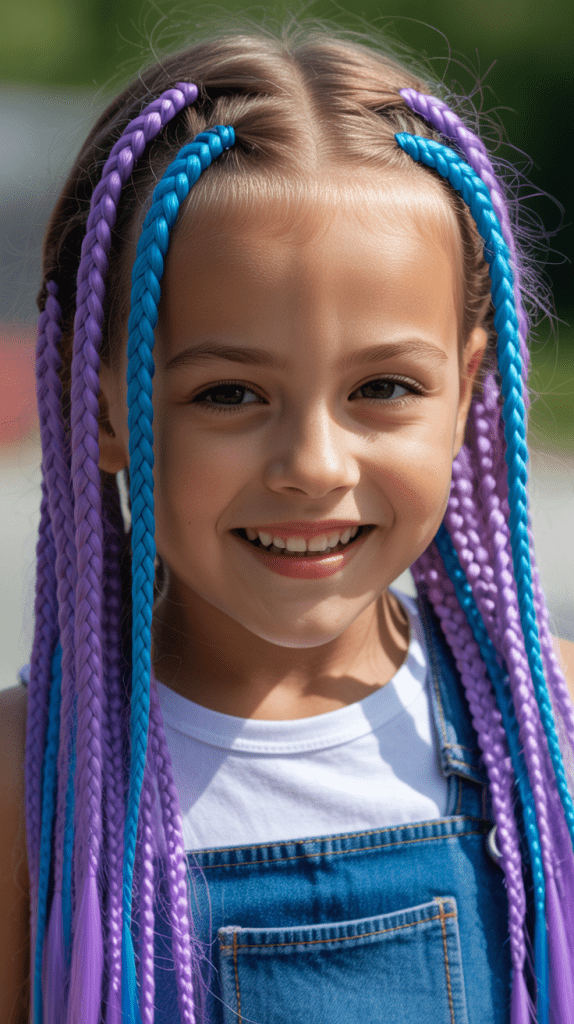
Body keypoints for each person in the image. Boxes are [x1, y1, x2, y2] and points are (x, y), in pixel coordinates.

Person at [1, 22, 574, 1024]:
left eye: (383, 386)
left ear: (471, 396)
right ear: (99, 409)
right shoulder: (26, 784)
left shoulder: (556, 730)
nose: (313, 466)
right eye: (229, 394)